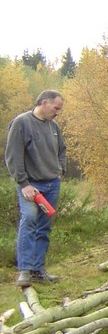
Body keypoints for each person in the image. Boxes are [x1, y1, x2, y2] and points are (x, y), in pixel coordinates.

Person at [5, 90, 66, 287]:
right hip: (31, 186)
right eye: (56, 108)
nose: (57, 112)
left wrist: (60, 169)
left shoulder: (54, 126)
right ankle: (24, 271)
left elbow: (62, 150)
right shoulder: (22, 123)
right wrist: (23, 184)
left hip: (52, 184)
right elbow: (13, 155)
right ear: (44, 103)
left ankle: (38, 270)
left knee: (44, 227)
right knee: (29, 221)